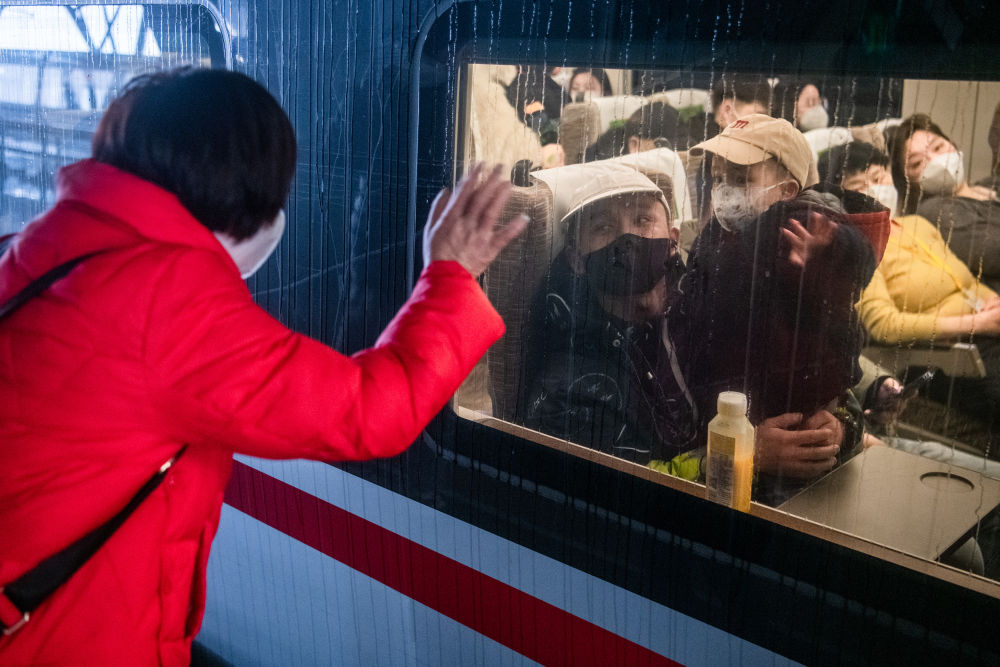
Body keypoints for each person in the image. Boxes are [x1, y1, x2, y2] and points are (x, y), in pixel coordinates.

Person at [0, 68, 525, 664]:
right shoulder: (164, 301)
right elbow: (371, 412)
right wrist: (450, 275)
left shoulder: (43, 243)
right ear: (243, 189)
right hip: (66, 640)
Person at [667, 114, 884, 504]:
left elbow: (838, 324)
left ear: (786, 191)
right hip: (733, 444)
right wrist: (748, 448)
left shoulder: (798, 239)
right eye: (719, 178)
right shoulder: (714, 240)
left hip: (797, 431)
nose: (725, 191)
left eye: (742, 178)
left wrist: (840, 429)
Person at [518, 163, 697, 466]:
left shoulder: (695, 315)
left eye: (643, 220)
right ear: (576, 259)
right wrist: (729, 460)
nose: (627, 239)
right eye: (603, 227)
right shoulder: (570, 390)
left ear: (672, 241)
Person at [885, 114, 1000, 295]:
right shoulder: (935, 212)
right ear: (909, 183)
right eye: (917, 163)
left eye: (938, 147)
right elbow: (994, 253)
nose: (935, 161)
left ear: (952, 144)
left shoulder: (991, 183)